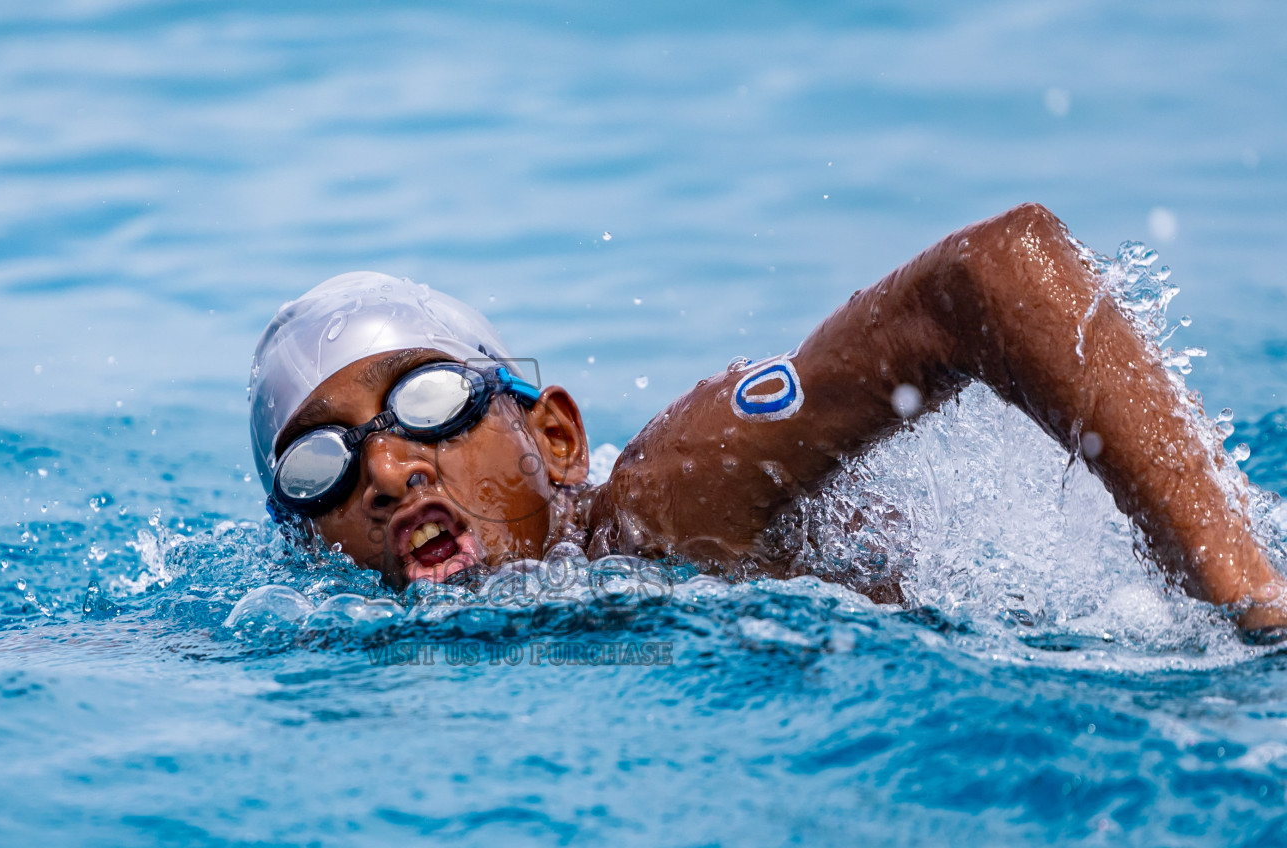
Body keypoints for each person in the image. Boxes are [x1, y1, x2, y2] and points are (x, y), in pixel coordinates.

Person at [248, 203, 1287, 632]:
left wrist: (1249, 606)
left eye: (427, 401)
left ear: (554, 436)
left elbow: (994, 270)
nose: (386, 470)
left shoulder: (655, 504)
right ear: (303, 545)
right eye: (318, 465)